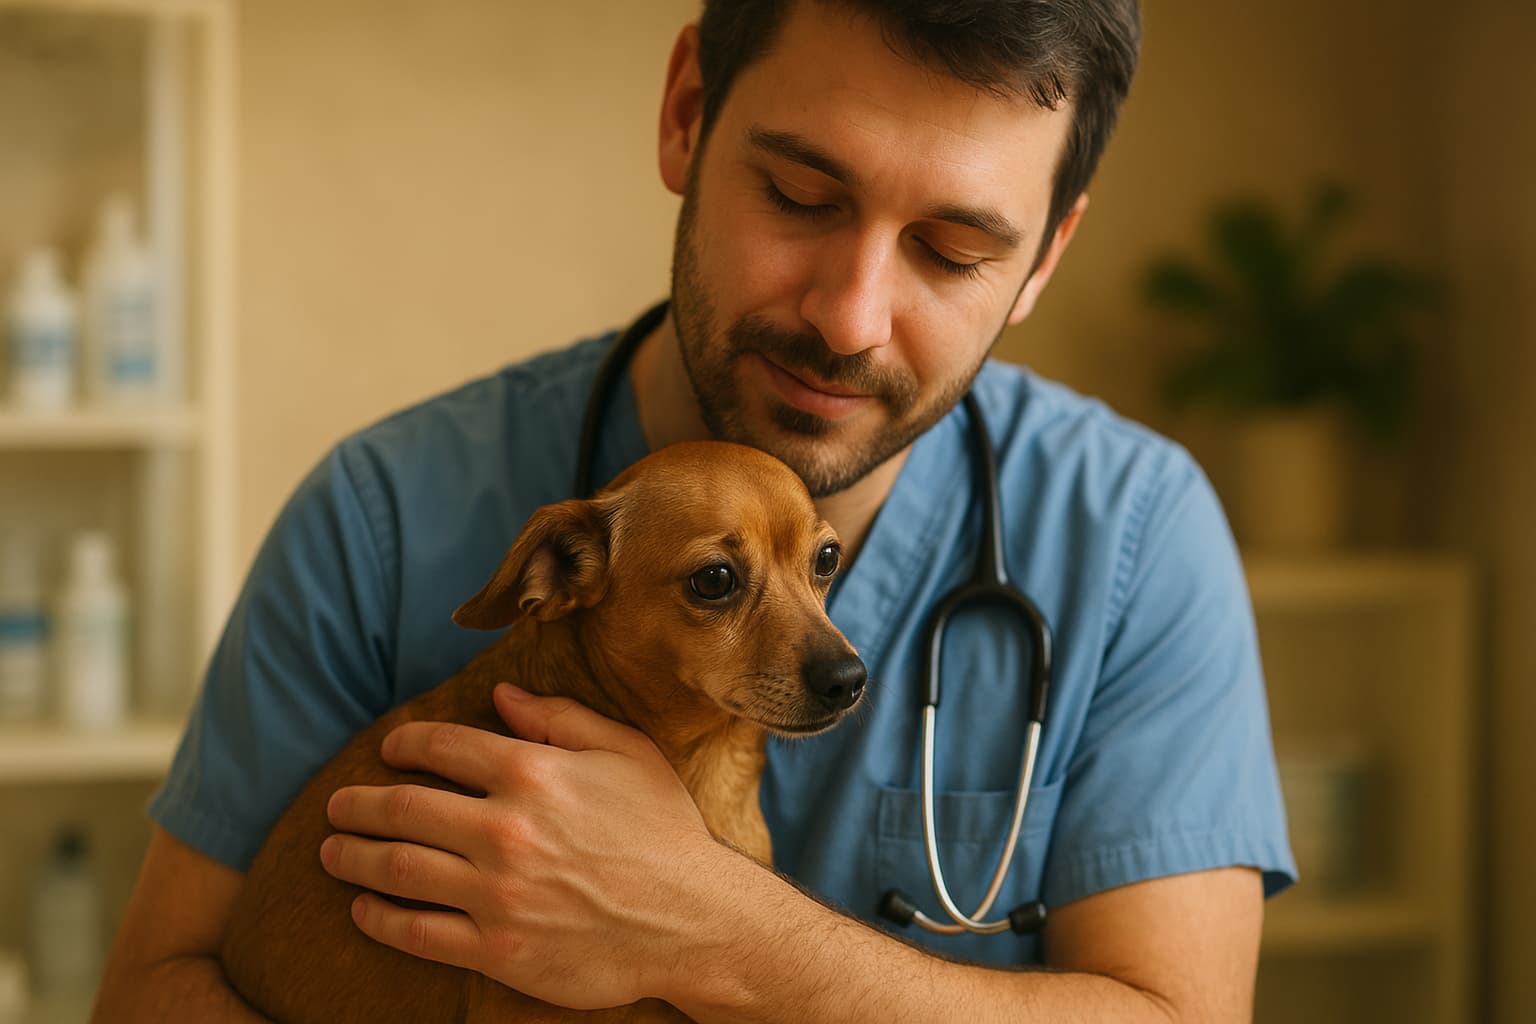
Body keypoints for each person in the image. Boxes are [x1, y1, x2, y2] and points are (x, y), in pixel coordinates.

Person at [96, 1, 1295, 1020]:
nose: (850, 316)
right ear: (685, 115)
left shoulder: (1134, 536)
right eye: (798, 193)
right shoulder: (386, 515)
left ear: (1043, 259)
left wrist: (721, 928)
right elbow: (152, 988)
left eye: (951, 250)